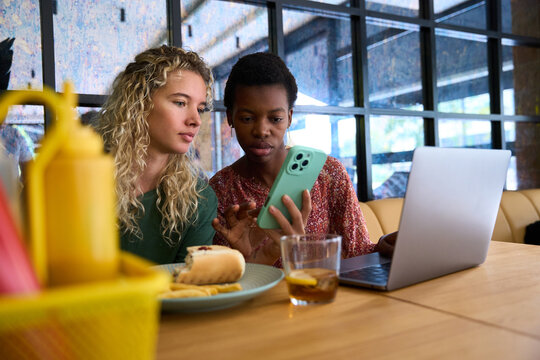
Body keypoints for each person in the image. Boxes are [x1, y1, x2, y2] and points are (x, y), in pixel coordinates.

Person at [210, 52, 395, 266]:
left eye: (275, 119)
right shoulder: (219, 191)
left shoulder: (328, 174)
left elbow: (358, 253)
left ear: (289, 117)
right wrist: (249, 262)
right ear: (230, 118)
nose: (262, 130)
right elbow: (222, 280)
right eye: (247, 118)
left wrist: (384, 244)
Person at [97, 45, 217, 264]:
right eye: (180, 103)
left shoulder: (199, 200)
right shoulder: (80, 178)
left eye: (199, 108)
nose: (196, 120)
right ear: (139, 103)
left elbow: (188, 290)